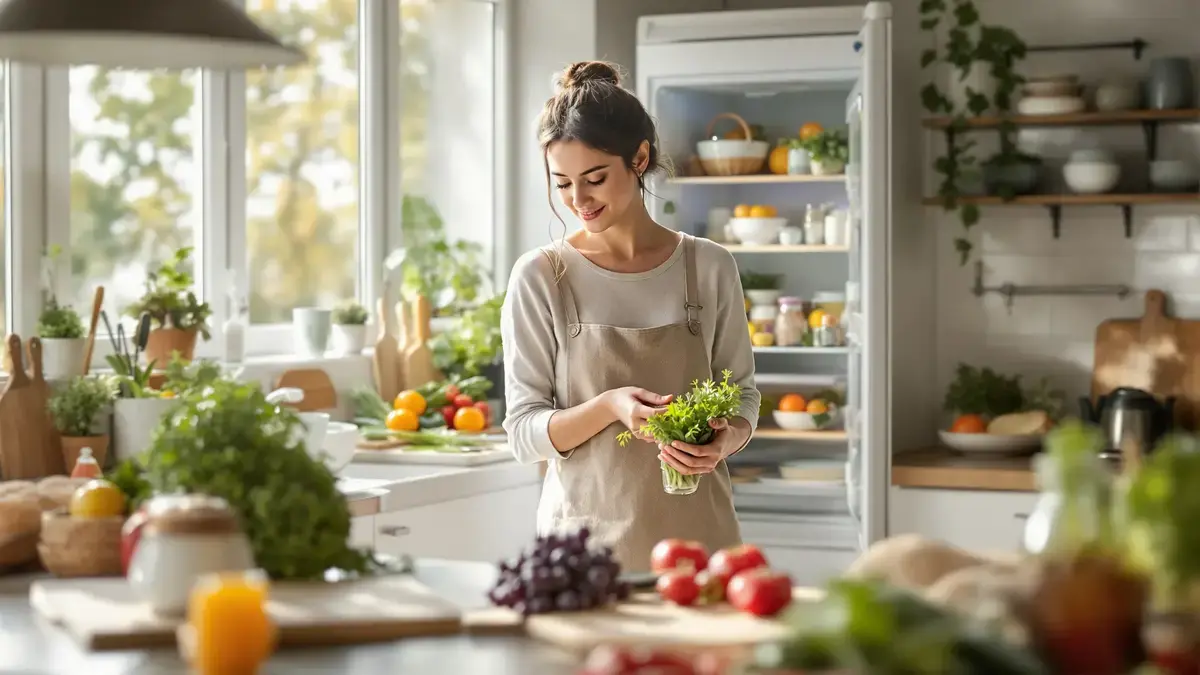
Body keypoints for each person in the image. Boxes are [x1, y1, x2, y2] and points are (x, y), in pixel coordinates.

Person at [501, 60, 760, 573]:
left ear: (639, 158)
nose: (579, 200)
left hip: (701, 547)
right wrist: (610, 406)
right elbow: (522, 434)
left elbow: (745, 395)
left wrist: (725, 439)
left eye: (595, 178)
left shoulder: (708, 267)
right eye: (562, 184)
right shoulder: (540, 277)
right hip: (584, 554)